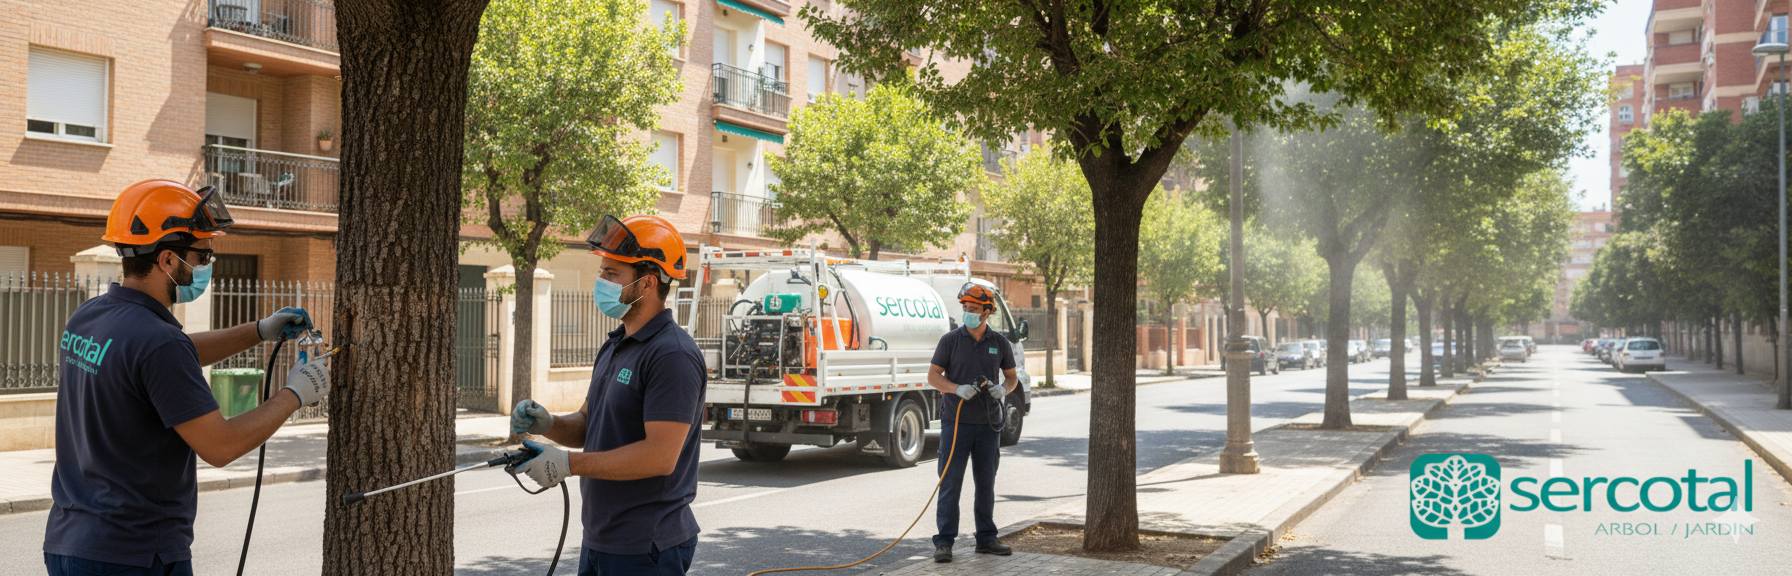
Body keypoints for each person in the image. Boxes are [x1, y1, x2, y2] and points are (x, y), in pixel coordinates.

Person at [43, 180, 328, 576]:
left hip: (69, 544)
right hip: (134, 556)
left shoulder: (91, 315)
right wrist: (295, 393)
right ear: (167, 260)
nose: (208, 263)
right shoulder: (158, 343)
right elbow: (221, 446)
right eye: (202, 254)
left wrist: (259, 330)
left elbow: (164, 359)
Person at [508, 214, 706, 576]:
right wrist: (549, 424)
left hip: (645, 548)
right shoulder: (616, 345)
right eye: (602, 271)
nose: (601, 281)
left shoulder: (672, 354)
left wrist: (568, 464)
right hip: (601, 540)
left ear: (647, 283)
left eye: (612, 274)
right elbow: (588, 425)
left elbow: (660, 457)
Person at [925, 281, 1020, 563]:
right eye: (965, 307)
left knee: (986, 482)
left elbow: (1012, 377)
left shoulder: (1000, 343)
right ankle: (944, 543)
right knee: (950, 482)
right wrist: (956, 388)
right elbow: (933, 377)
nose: (968, 311)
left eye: (974, 308)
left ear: (987, 311)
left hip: (989, 424)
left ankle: (986, 539)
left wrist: (1004, 388)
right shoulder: (950, 340)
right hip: (956, 423)